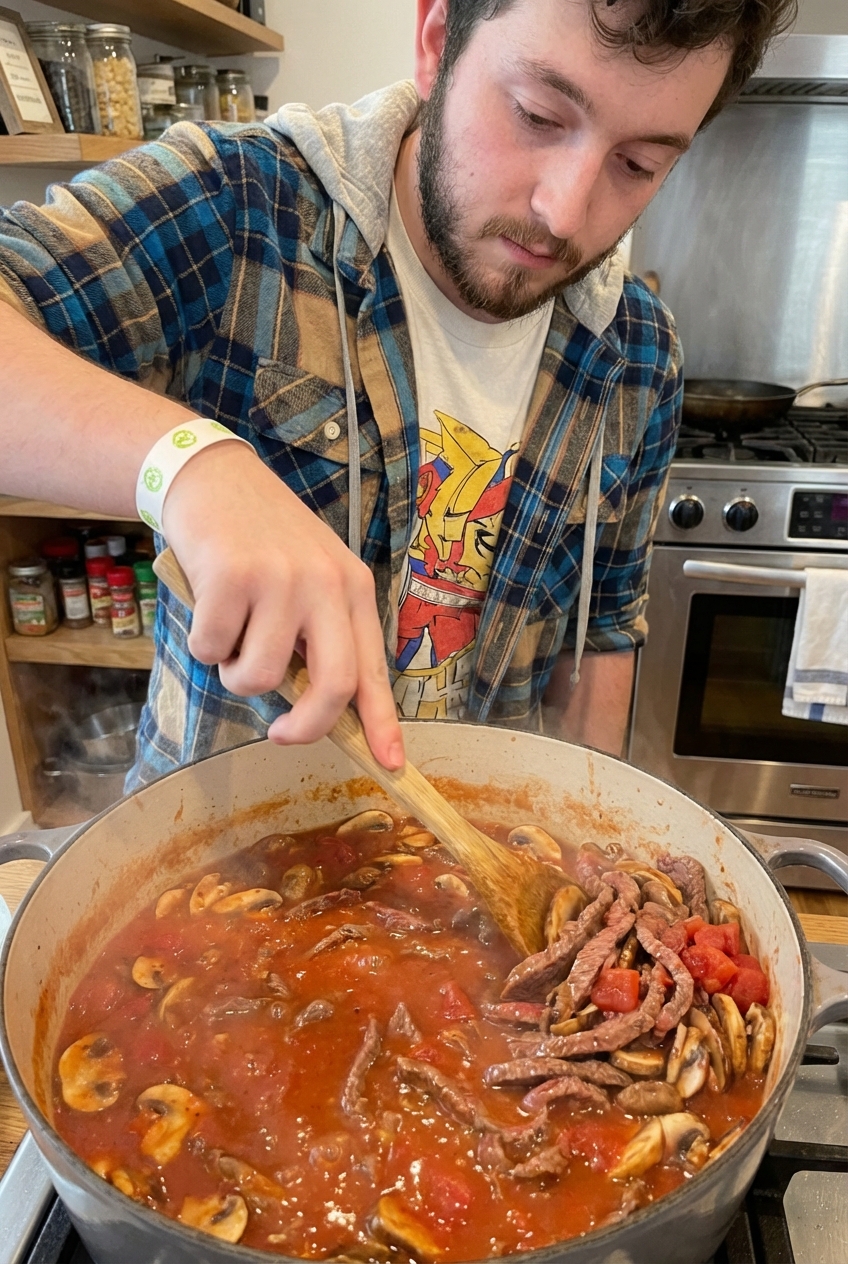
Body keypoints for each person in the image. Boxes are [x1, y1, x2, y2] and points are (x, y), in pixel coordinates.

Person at [0, 0, 796, 787]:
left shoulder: (640, 355)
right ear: (438, 39)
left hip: (479, 856)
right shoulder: (238, 209)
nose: (564, 211)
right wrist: (189, 465)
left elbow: (603, 635)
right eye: (536, 115)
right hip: (217, 862)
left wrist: (592, 840)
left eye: (638, 165)